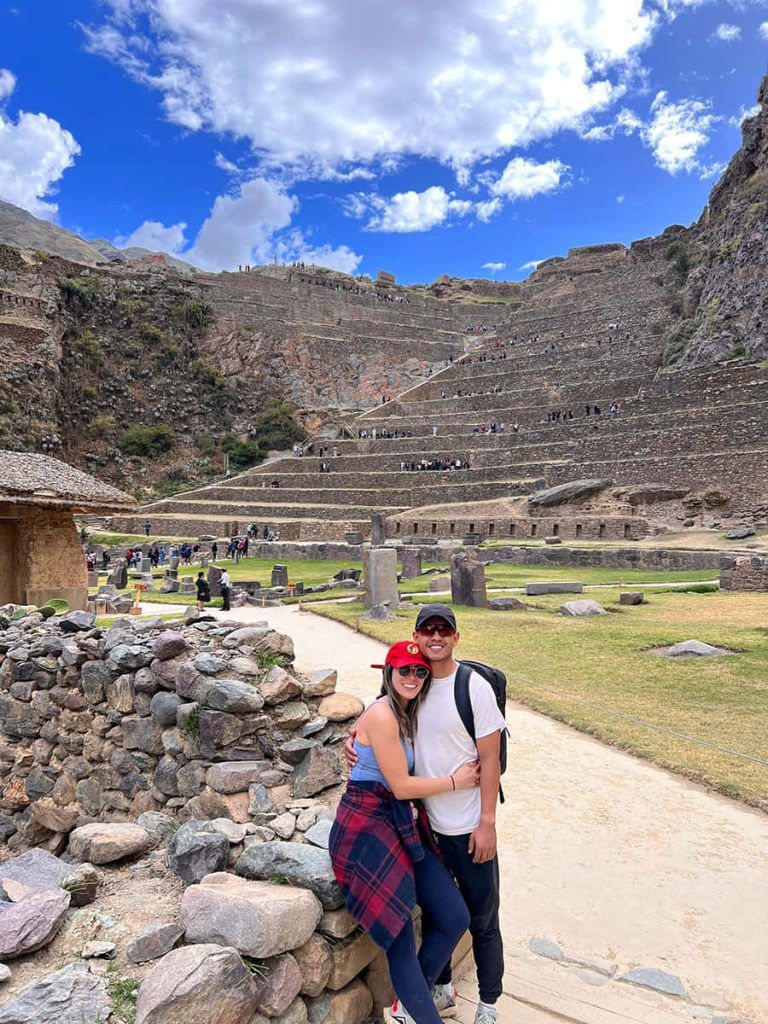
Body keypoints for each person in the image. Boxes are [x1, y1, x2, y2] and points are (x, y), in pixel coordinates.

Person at [346, 605, 506, 1024]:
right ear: (415, 637)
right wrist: (357, 741)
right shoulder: (404, 694)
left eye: (444, 630)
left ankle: (488, 1003)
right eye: (428, 630)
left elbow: (490, 760)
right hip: (420, 826)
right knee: (442, 915)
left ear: (456, 637)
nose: (436, 637)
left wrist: (487, 822)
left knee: (481, 918)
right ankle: (431, 995)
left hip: (467, 825)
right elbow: (380, 728)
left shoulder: (471, 688)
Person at [331, 642, 477, 1024]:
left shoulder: (411, 712)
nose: (413, 678)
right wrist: (455, 782)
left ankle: (408, 1006)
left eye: (420, 672)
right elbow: (399, 785)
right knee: (398, 939)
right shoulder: (382, 714)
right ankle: (421, 1014)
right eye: (405, 670)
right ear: (388, 673)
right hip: (367, 827)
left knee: (454, 916)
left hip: (401, 824)